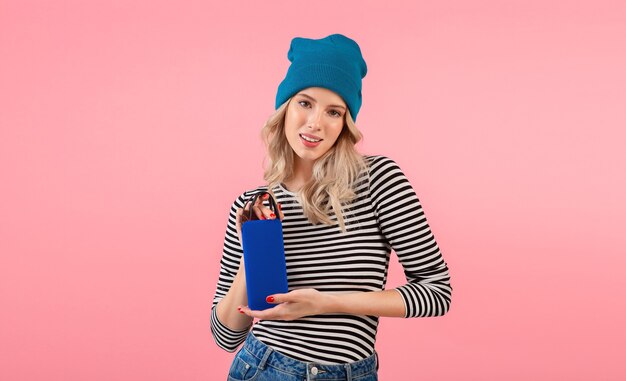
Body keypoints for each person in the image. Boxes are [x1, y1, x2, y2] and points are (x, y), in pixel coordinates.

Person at [210, 33, 452, 381]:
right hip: (263, 368)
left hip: (350, 373)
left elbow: (436, 292)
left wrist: (326, 302)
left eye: (333, 111)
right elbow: (226, 335)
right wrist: (256, 249)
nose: (315, 123)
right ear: (285, 108)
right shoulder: (254, 204)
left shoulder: (378, 180)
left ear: (345, 124)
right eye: (305, 103)